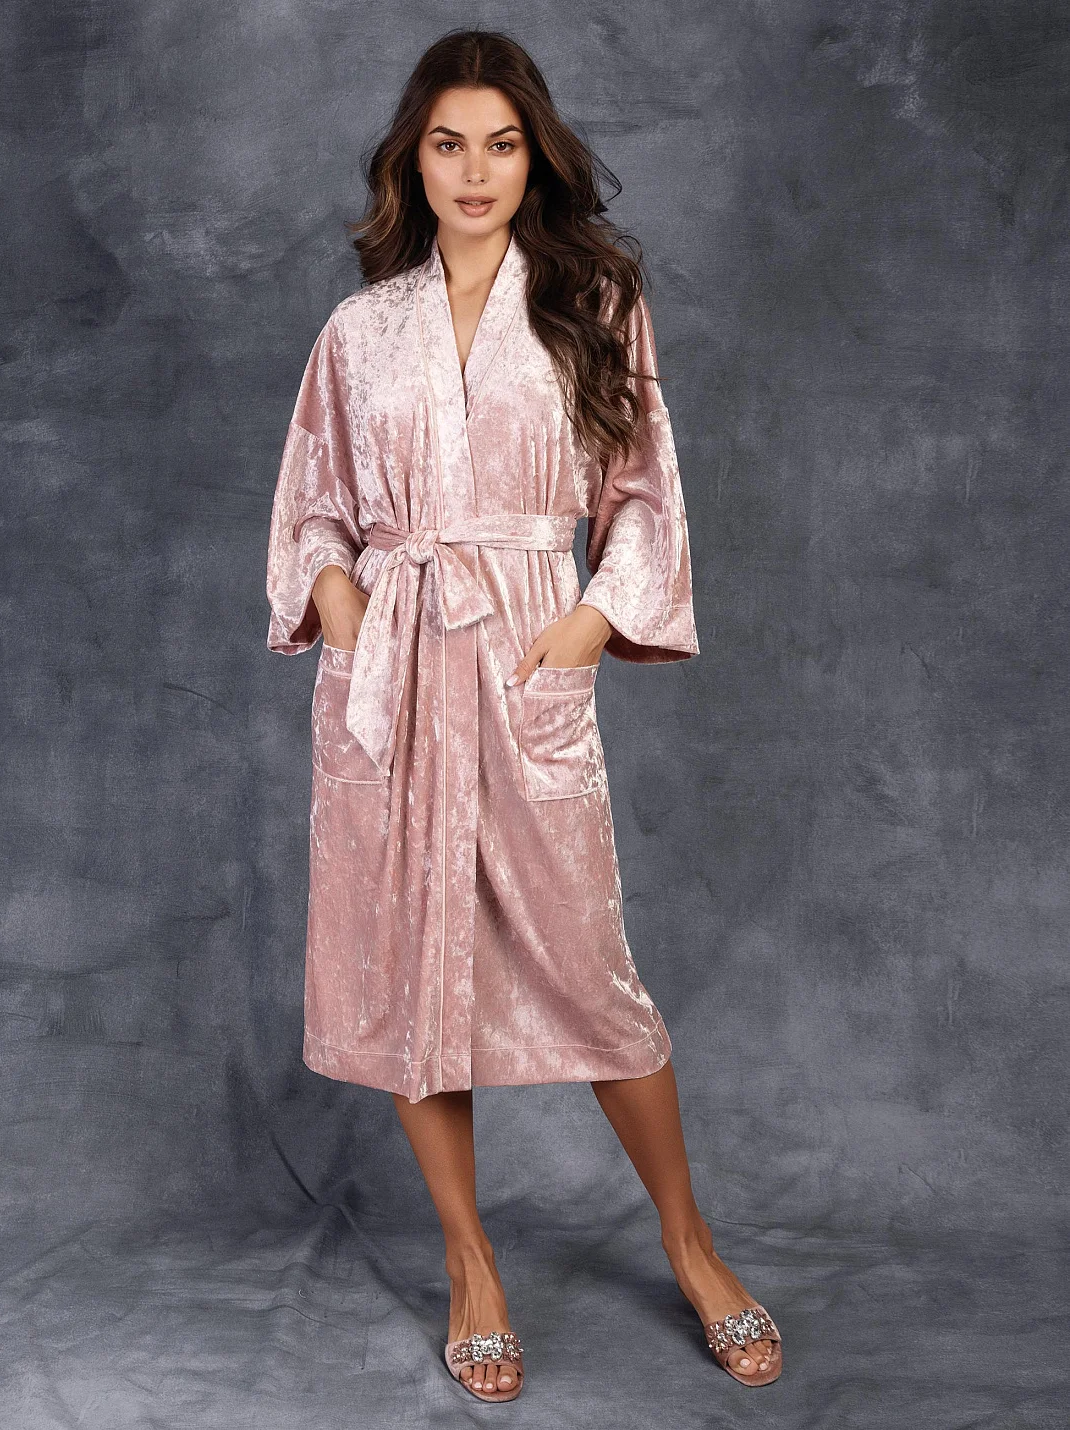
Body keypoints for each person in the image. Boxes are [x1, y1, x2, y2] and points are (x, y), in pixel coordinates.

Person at [264, 28, 782, 1402]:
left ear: (533, 158)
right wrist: (340, 599)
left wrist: (589, 624)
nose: (475, 171)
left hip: (523, 654)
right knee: (408, 970)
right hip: (390, 669)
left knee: (592, 974)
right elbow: (312, 501)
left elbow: (644, 490)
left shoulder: (593, 300)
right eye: (449, 143)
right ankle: (469, 1260)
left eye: (501, 144)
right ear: (412, 160)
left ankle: (690, 1243)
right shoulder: (360, 331)